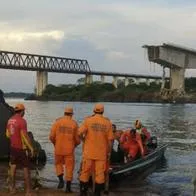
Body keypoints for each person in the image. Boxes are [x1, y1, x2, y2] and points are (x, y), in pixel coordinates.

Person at [78, 103, 114, 196]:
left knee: (85, 172)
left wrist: (83, 140)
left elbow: (79, 133)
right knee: (100, 175)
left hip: (88, 152)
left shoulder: (88, 120)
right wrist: (109, 152)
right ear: (103, 111)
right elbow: (110, 140)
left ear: (94, 111)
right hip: (101, 154)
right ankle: (97, 193)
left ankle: (83, 193)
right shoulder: (107, 122)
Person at [49, 105, 80, 193]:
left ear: (64, 113)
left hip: (58, 148)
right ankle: (68, 188)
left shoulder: (57, 122)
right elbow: (77, 140)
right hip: (69, 150)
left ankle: (61, 180)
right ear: (71, 114)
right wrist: (75, 145)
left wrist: (55, 144)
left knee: (58, 164)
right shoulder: (74, 123)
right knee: (69, 168)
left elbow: (51, 137)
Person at [6, 103, 34, 196]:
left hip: (13, 147)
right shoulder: (22, 121)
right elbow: (25, 136)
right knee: (26, 169)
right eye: (24, 111)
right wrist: (31, 148)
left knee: (13, 168)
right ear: (22, 111)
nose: (24, 113)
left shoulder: (10, 120)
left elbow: (7, 134)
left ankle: (12, 189)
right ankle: (28, 192)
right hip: (21, 149)